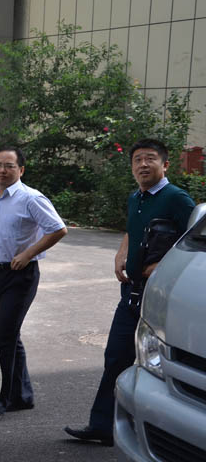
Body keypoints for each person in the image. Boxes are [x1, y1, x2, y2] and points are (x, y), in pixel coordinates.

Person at [64, 138, 195, 445]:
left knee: (163, 365)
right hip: (132, 293)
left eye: (150, 159)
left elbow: (194, 240)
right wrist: (121, 252)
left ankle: (167, 433)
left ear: (165, 165)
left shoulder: (177, 198)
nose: (143, 164)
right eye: (137, 160)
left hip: (162, 295)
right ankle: (103, 426)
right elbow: (133, 229)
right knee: (116, 356)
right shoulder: (136, 197)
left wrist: (162, 265)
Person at [0, 146, 67, 425]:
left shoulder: (31, 198)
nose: (2, 170)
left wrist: (28, 253)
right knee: (9, 335)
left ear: (21, 170)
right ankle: (21, 395)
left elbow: (58, 228)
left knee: (1, 337)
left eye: (9, 166)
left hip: (20, 276)